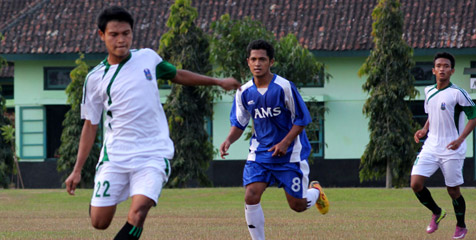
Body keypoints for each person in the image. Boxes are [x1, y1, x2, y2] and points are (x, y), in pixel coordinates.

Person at [64, 6, 240, 240]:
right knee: (99, 223)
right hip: (115, 156)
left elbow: (178, 74)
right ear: (101, 35)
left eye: (126, 33)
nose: (121, 39)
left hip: (153, 153)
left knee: (139, 211)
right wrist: (77, 170)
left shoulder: (147, 58)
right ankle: (99, 199)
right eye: (114, 34)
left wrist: (217, 82)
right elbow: (90, 124)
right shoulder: (95, 79)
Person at [219, 39, 329, 240]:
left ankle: (315, 192)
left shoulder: (284, 87)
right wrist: (228, 140)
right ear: (248, 62)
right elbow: (240, 122)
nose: (257, 63)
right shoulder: (243, 92)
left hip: (289, 155)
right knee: (251, 195)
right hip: (260, 154)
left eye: (262, 59)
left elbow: (301, 120)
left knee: (297, 205)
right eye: (253, 59)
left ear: (271, 62)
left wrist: (285, 143)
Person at [412, 52, 476, 239]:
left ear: (452, 70)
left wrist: (460, 139)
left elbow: (473, 117)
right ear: (433, 70)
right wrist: (424, 130)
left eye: (446, 66)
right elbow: (432, 114)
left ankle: (461, 225)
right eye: (439, 66)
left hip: (452, 148)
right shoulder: (428, 91)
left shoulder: (458, 93)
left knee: (453, 190)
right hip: (431, 145)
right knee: (415, 184)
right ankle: (436, 212)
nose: (442, 69)